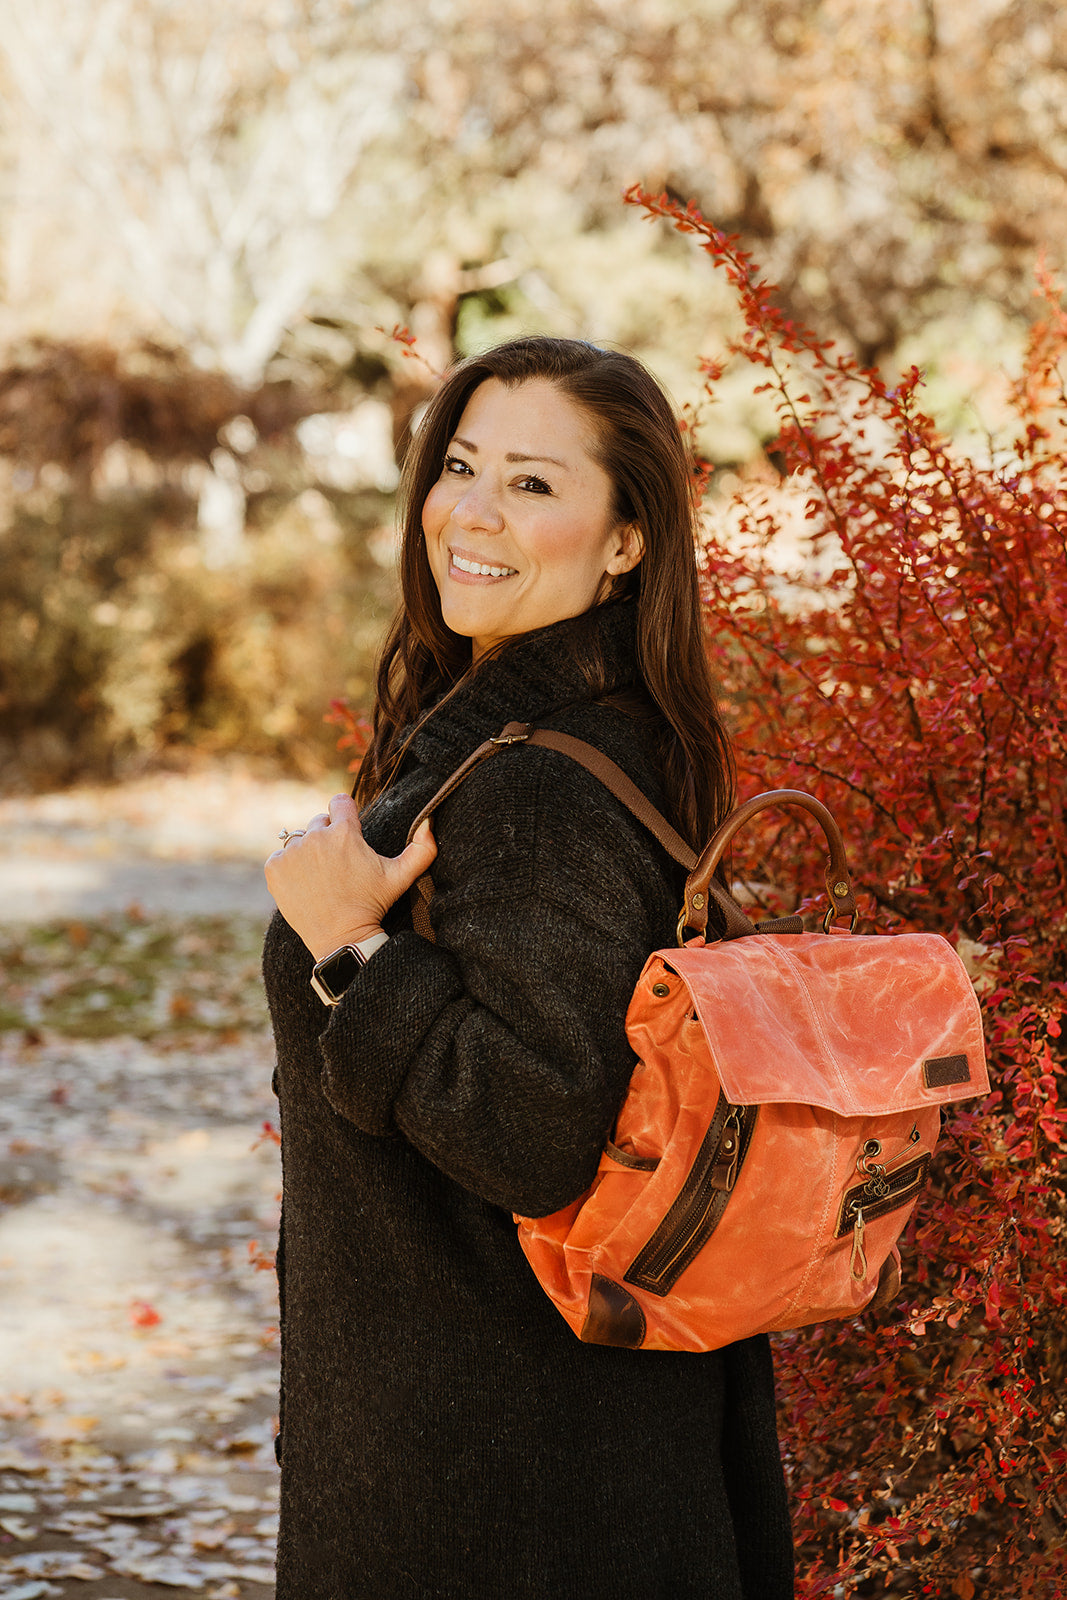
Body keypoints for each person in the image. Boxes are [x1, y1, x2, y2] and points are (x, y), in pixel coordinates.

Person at [262, 336, 795, 1599]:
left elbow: (532, 1129)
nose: (472, 511)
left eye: (534, 483)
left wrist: (348, 946)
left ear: (626, 541)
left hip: (499, 1490)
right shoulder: (571, 739)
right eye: (459, 465)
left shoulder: (537, 784)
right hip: (539, 1447)